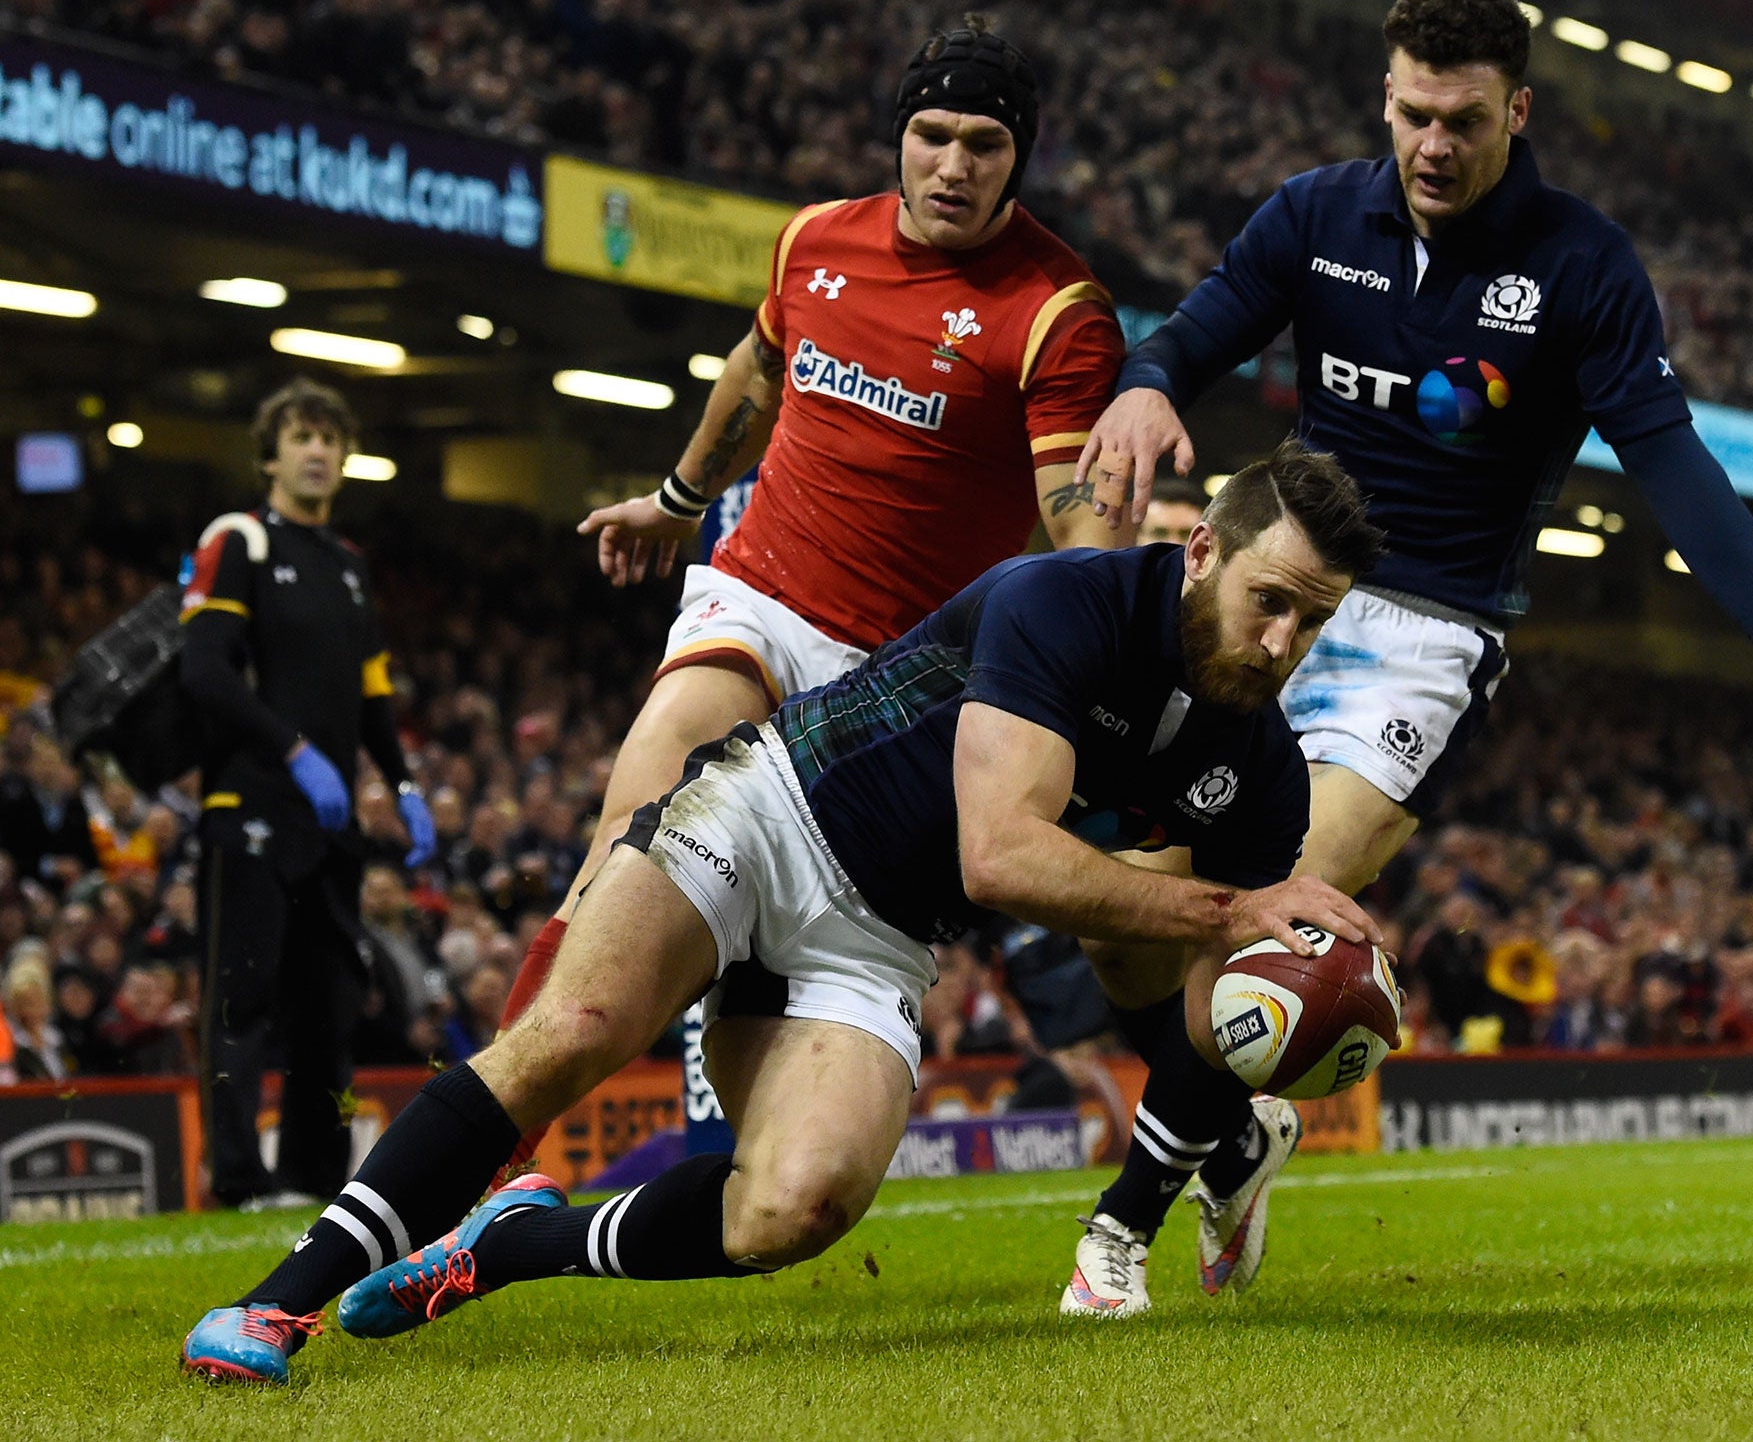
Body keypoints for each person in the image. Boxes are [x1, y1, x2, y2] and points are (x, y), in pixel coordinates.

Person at [178, 440, 1385, 1383]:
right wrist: (1229, 911)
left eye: (1313, 620)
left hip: (875, 942)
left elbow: (1205, 991)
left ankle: (507, 1247)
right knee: (577, 1028)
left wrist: (1259, 1028)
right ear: (1199, 556)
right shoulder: (1062, 601)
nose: (1282, 642)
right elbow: (1001, 859)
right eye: (1269, 599)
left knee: (794, 1207)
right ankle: (278, 1301)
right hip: (768, 811)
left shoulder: (1267, 775)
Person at [1061, 0, 1753, 1313]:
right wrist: (1150, 388)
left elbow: (1665, 452)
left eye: (1460, 118)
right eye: (1410, 115)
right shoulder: (1317, 215)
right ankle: (1236, 1133)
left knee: (1280, 909)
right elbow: (1196, 332)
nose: (1432, 145)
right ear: (1385, 102)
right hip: (1279, 593)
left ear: (1518, 110)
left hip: (1430, 633)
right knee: (1126, 930)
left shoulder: (1583, 264)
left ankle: (1120, 1231)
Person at [488, 19, 1128, 1173]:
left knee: (764, 1015)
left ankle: (730, 1153)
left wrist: (1100, 621)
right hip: (759, 597)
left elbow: (1073, 514)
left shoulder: (1053, 310)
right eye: (930, 136)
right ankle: (487, 1167)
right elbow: (760, 366)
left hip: (895, 682)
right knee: (619, 849)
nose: (952, 166)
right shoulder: (813, 242)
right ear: (897, 138)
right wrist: (678, 500)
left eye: (983, 144)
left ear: (1018, 155)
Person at [178, 378, 436, 1210]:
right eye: (299, 436)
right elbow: (203, 668)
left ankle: (314, 1180)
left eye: (329, 437)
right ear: (269, 454)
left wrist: (402, 784)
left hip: (328, 825)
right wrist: (292, 749)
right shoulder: (240, 539)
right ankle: (238, 1180)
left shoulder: (352, 570)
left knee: (328, 1007)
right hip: (249, 805)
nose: (317, 450)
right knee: (242, 995)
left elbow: (371, 702)